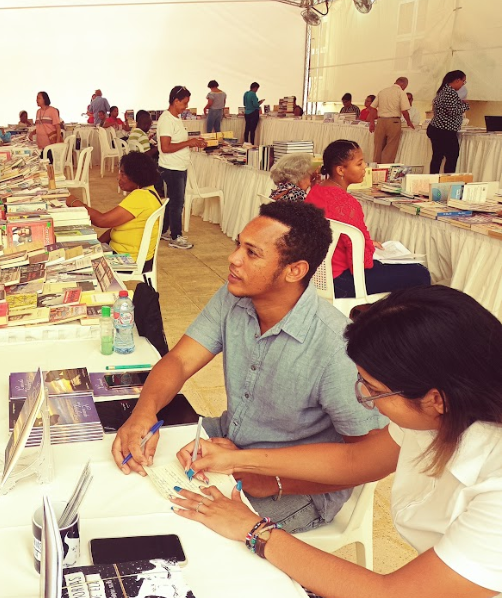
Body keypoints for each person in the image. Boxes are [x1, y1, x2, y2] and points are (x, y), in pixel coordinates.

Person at [171, 285, 501, 598]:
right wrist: (239, 460)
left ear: (436, 400)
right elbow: (355, 461)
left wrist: (256, 531)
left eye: (373, 389)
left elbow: (393, 593)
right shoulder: (438, 413)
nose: (364, 399)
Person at [111, 200, 384, 532]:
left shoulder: (336, 350)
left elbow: (369, 459)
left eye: (252, 253)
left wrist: (269, 480)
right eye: (238, 244)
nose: (233, 258)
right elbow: (180, 360)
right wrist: (144, 412)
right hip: (230, 443)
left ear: (295, 270)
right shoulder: (234, 297)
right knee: (121, 474)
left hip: (293, 486)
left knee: (178, 527)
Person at [305, 139, 430, 298]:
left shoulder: (317, 190)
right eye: (359, 164)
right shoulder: (346, 203)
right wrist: (368, 249)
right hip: (340, 280)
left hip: (317, 276)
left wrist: (367, 244)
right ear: (341, 170)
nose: (365, 167)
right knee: (419, 273)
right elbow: (362, 261)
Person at [65, 152, 163, 272]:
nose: (118, 178)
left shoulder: (140, 197)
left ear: (136, 176)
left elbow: (102, 221)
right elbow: (114, 228)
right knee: (77, 250)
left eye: (123, 173)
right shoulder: (150, 192)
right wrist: (96, 245)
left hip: (129, 259)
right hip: (130, 254)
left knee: (71, 263)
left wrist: (74, 201)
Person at [157, 86, 207, 250]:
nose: (186, 107)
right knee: (177, 203)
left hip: (178, 166)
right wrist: (189, 143)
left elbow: (176, 143)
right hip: (171, 168)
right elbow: (165, 147)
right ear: (175, 101)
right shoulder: (166, 120)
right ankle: (176, 236)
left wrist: (193, 142)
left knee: (173, 201)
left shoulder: (175, 119)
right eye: (184, 103)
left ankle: (164, 231)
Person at [427, 70, 470, 174]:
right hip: (444, 130)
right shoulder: (449, 93)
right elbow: (453, 111)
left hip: (439, 129)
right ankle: (447, 179)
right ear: (457, 80)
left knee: (438, 156)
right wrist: (466, 105)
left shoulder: (444, 91)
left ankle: (434, 178)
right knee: (452, 156)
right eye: (463, 82)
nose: (463, 84)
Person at [368, 77, 414, 164]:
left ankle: (375, 169)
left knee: (378, 147)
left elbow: (372, 108)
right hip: (394, 122)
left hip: (380, 121)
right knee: (390, 148)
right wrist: (409, 122)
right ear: (403, 84)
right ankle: (385, 170)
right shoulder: (401, 92)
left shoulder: (383, 91)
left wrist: (371, 122)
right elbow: (404, 111)